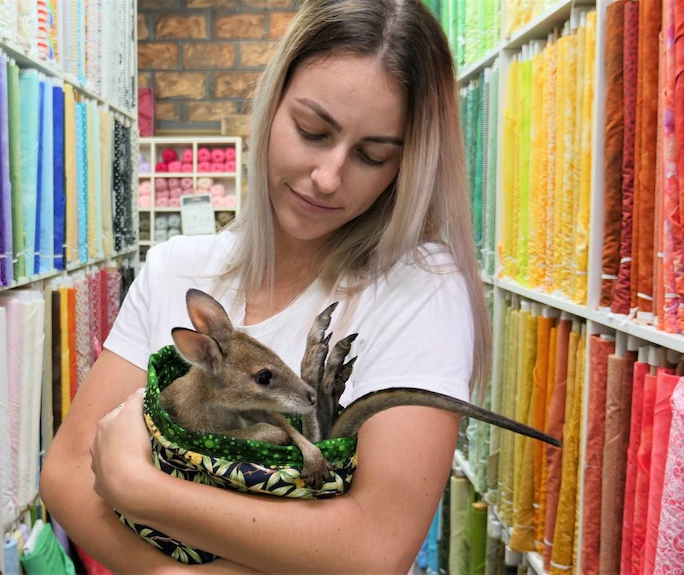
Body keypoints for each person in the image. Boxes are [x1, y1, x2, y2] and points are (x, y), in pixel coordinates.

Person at [40, 0, 491, 572]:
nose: (327, 178)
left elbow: (372, 548)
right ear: (271, 103)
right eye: (311, 130)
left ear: (407, 164)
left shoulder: (420, 289)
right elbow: (64, 471)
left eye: (372, 156)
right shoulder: (178, 267)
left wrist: (137, 486)